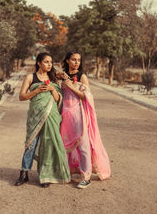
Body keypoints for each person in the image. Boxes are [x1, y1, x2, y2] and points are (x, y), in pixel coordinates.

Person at [15, 52, 70, 187]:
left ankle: (46, 175)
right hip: (35, 116)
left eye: (51, 62)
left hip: (51, 116)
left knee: (49, 144)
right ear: (39, 63)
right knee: (31, 145)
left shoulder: (53, 79)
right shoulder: (30, 77)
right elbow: (21, 97)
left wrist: (52, 89)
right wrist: (37, 91)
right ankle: (24, 173)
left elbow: (58, 99)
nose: (49, 64)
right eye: (46, 62)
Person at [59, 52, 111, 189]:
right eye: (73, 60)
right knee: (66, 143)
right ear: (67, 60)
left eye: (78, 60)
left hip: (79, 114)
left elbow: (85, 96)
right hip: (66, 114)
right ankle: (69, 171)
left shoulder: (82, 76)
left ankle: (85, 176)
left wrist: (70, 86)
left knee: (83, 145)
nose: (76, 62)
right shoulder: (63, 75)